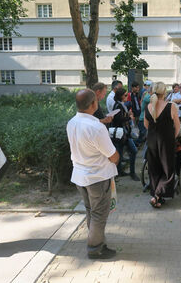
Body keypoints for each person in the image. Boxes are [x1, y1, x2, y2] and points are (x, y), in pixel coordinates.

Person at [67, 89, 120, 259]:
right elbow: (112, 155)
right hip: (97, 176)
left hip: (80, 175)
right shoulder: (96, 127)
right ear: (93, 104)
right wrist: (117, 158)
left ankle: (96, 241)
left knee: (91, 211)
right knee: (98, 214)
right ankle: (95, 247)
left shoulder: (72, 122)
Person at [144, 82, 180, 208]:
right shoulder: (171, 106)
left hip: (152, 140)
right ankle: (158, 194)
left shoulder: (148, 106)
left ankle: (156, 196)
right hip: (166, 141)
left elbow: (146, 125)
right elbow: (177, 126)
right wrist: (173, 137)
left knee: (154, 168)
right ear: (165, 92)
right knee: (167, 169)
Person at [112, 88, 140, 181]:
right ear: (120, 96)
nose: (126, 97)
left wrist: (127, 115)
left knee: (120, 153)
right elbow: (118, 119)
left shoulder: (120, 105)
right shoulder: (118, 106)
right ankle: (131, 173)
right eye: (124, 95)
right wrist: (128, 117)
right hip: (122, 134)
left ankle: (120, 172)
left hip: (122, 134)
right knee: (133, 151)